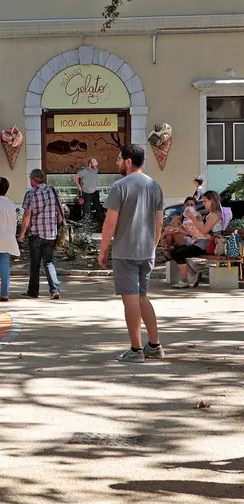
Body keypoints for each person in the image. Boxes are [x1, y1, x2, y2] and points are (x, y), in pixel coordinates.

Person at [99, 144, 165, 363]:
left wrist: (103, 250)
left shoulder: (119, 186)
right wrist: (153, 247)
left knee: (131, 301)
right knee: (143, 298)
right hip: (146, 251)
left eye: (119, 159)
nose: (117, 162)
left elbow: (110, 222)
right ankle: (154, 345)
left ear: (128, 161)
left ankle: (136, 350)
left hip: (125, 252)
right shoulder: (155, 186)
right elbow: (159, 222)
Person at [19, 169, 63, 299]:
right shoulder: (53, 191)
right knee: (49, 262)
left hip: (36, 233)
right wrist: (58, 226)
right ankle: (55, 290)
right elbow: (60, 212)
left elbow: (27, 216)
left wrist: (22, 233)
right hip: (51, 233)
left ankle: (33, 291)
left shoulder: (31, 194)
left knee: (35, 264)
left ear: (33, 179)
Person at [170, 190, 225, 288]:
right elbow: (203, 231)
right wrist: (198, 221)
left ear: (212, 201)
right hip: (202, 241)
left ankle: (185, 280)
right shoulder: (210, 213)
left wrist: (193, 218)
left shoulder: (215, 214)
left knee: (179, 253)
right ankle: (192, 275)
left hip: (208, 244)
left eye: (205, 201)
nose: (203, 203)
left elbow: (204, 231)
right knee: (175, 251)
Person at [74, 157, 101, 226]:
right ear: (90, 164)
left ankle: (100, 222)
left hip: (94, 192)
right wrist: (79, 186)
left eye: (96, 162)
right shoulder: (84, 171)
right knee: (87, 209)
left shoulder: (96, 170)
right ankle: (86, 224)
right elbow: (75, 177)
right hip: (87, 193)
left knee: (98, 208)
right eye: (94, 162)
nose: (96, 164)